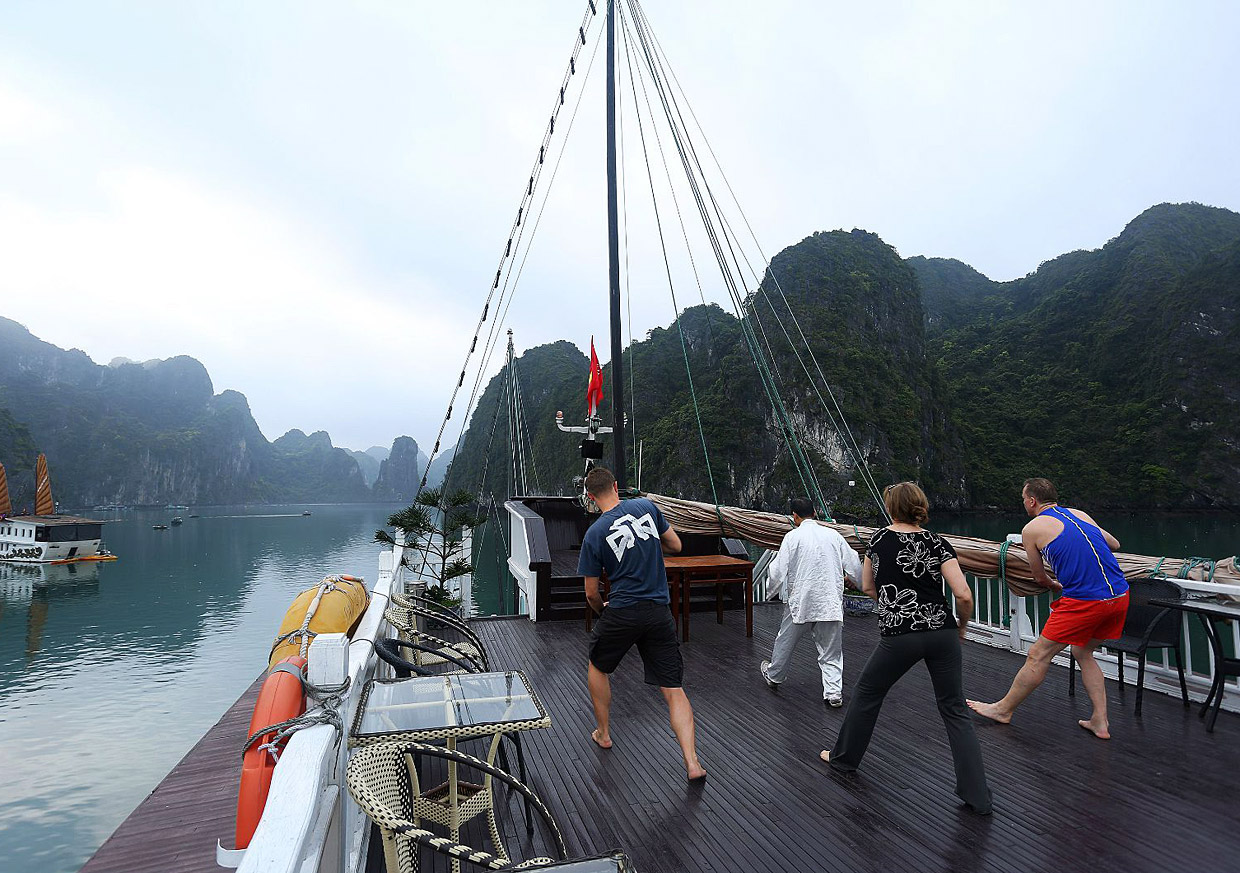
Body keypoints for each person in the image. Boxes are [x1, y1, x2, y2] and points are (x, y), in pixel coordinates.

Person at [821, 482, 992, 815]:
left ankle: (843, 760)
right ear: (920, 506)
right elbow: (964, 595)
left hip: (900, 634)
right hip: (942, 632)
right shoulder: (936, 541)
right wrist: (962, 626)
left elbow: (867, 585)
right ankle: (978, 796)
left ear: (890, 508)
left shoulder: (879, 541)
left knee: (869, 694)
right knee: (954, 709)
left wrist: (890, 605)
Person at [967, 478, 1128, 740]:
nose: (1023, 503)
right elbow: (1114, 544)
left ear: (1032, 501)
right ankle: (1100, 720)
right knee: (1083, 651)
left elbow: (1040, 578)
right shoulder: (1079, 513)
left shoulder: (1033, 529)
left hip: (1085, 601)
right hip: (1119, 596)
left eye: (1023, 499)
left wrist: (1055, 584)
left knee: (1038, 654)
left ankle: (1003, 709)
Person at [578, 467, 707, 781]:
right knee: (674, 689)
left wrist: (601, 612)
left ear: (592, 499)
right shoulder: (646, 507)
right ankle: (692, 763)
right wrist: (647, 546)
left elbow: (591, 592)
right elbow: (675, 545)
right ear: (617, 487)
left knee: (598, 665)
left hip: (622, 610)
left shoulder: (594, 534)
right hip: (657, 611)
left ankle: (604, 732)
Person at [760, 497, 862, 706]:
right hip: (829, 601)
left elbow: (778, 570)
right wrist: (859, 583)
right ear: (815, 513)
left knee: (785, 641)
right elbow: (853, 562)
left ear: (794, 516)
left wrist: (770, 591)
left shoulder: (792, 537)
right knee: (831, 650)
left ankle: (775, 675)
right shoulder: (833, 535)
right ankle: (833, 693)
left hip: (801, 601)